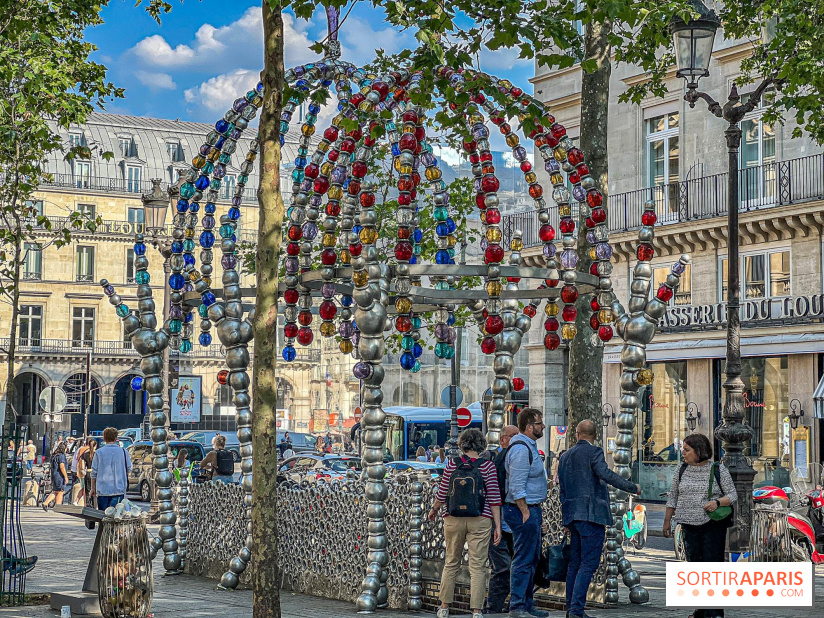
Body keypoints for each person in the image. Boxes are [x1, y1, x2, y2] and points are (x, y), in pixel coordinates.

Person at [558, 420, 641, 618]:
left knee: (574, 564)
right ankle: (577, 610)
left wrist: (566, 520)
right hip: (591, 515)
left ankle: (571, 607)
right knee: (588, 564)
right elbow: (606, 474)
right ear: (595, 436)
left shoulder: (565, 456)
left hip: (572, 515)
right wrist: (631, 487)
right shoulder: (594, 452)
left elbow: (562, 488)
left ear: (577, 433)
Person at [428, 428, 501, 618]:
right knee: (477, 566)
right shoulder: (488, 467)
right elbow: (494, 498)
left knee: (451, 562)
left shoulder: (452, 464)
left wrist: (434, 509)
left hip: (453, 518)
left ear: (462, 444)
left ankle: (444, 607)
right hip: (480, 519)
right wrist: (498, 526)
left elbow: (443, 492)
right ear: (481, 445)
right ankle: (477, 610)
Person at [663, 433, 736, 618]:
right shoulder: (681, 469)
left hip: (712, 525)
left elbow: (732, 495)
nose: (683, 453)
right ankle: (702, 610)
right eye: (683, 449)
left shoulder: (718, 469)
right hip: (688, 524)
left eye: (687, 450)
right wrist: (667, 521)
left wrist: (717, 502)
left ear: (699, 452)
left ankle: (714, 612)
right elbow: (673, 496)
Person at [504, 408, 550, 618]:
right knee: (523, 559)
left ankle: (527, 603)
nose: (542, 427)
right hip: (524, 510)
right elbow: (516, 486)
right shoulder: (522, 450)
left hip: (531, 509)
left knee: (531, 559)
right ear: (530, 427)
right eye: (540, 424)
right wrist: (525, 512)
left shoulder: (527, 447)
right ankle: (518, 605)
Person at [485, 424, 520, 614]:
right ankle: (494, 606)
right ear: (502, 440)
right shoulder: (497, 459)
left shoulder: (515, 457)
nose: (515, 439)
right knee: (503, 567)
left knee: (515, 565)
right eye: (512, 436)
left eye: (517, 435)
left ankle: (509, 603)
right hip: (498, 520)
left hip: (510, 521)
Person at [90, 427, 131, 511]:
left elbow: (94, 473)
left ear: (104, 438)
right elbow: (129, 468)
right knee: (116, 515)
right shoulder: (123, 451)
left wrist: (92, 488)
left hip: (103, 490)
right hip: (119, 489)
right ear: (116, 438)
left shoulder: (99, 452)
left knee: (103, 516)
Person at [42, 442, 69, 510]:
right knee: (60, 491)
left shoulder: (54, 455)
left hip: (54, 475)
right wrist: (66, 476)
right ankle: (58, 506)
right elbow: (62, 466)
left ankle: (46, 502)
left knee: (56, 491)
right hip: (59, 476)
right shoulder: (61, 456)